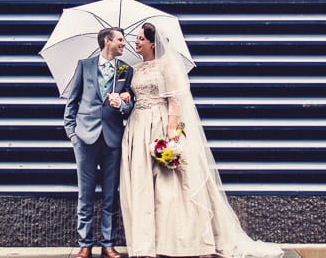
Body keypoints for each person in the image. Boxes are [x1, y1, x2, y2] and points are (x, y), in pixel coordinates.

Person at [120, 22, 282, 258]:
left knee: (169, 187)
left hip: (160, 124)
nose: (136, 42)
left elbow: (175, 100)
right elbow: (130, 97)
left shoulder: (166, 66)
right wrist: (124, 96)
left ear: (153, 43)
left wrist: (172, 132)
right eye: (136, 38)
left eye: (140, 39)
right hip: (138, 127)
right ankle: (146, 244)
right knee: (143, 186)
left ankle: (177, 242)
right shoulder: (133, 70)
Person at [64, 27, 135, 258]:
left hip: (112, 139)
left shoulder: (125, 70)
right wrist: (72, 133)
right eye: (120, 40)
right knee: (85, 194)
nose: (124, 44)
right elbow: (72, 101)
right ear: (107, 41)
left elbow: (130, 105)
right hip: (85, 138)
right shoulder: (84, 66)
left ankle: (108, 244)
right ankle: (85, 244)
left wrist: (121, 104)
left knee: (110, 196)